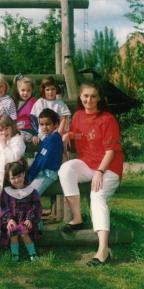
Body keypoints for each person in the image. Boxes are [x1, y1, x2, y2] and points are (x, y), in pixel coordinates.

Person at [59, 82, 124, 266]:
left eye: (93, 96)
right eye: (86, 96)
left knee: (97, 195)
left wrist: (100, 172)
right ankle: (77, 218)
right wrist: (68, 136)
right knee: (66, 169)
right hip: (88, 164)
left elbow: (111, 151)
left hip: (109, 167)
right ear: (80, 97)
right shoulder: (78, 116)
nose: (89, 100)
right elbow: (80, 135)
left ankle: (103, 251)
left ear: (99, 98)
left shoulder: (107, 119)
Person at [0, 160, 42, 262]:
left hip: (27, 221)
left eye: (19, 176)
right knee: (13, 233)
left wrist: (30, 219)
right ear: (8, 179)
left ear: (23, 174)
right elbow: (4, 207)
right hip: (12, 221)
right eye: (13, 178)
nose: (16, 180)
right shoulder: (6, 192)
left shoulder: (32, 191)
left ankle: (33, 254)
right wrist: (9, 219)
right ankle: (15, 255)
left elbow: (36, 207)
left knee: (24, 232)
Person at [28, 109, 63, 196]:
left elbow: (42, 160)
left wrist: (30, 175)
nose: (44, 127)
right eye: (41, 124)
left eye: (47, 124)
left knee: (32, 195)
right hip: (42, 172)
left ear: (55, 125)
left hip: (47, 174)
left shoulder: (53, 140)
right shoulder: (48, 138)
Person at [30, 76, 71, 144]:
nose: (50, 92)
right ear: (43, 90)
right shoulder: (40, 102)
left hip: (57, 134)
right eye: (47, 90)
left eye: (53, 89)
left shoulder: (60, 104)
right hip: (42, 134)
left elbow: (64, 120)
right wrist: (35, 134)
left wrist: (58, 134)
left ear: (56, 89)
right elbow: (33, 120)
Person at [0, 115, 26, 187]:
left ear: (12, 127)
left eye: (6, 128)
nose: (4, 132)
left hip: (12, 177)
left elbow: (14, 158)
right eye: (1, 130)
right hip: (0, 174)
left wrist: (4, 145)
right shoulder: (2, 141)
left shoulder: (17, 140)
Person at [11, 74, 37, 142]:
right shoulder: (13, 101)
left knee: (16, 139)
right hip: (15, 130)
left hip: (28, 131)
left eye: (28, 90)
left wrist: (36, 134)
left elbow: (36, 119)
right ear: (18, 90)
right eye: (23, 90)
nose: (25, 93)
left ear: (32, 90)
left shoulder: (33, 102)